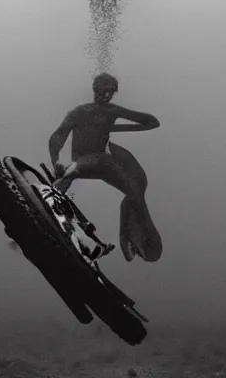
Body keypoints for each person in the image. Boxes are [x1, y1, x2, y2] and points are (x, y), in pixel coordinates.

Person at [48, 73, 162, 262]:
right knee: (83, 167)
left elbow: (152, 122)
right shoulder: (79, 111)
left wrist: (116, 129)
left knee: (135, 190)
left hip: (103, 163)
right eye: (102, 91)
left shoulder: (112, 111)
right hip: (84, 161)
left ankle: (128, 238)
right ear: (95, 90)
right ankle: (55, 194)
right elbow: (57, 137)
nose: (105, 96)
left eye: (110, 92)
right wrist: (55, 161)